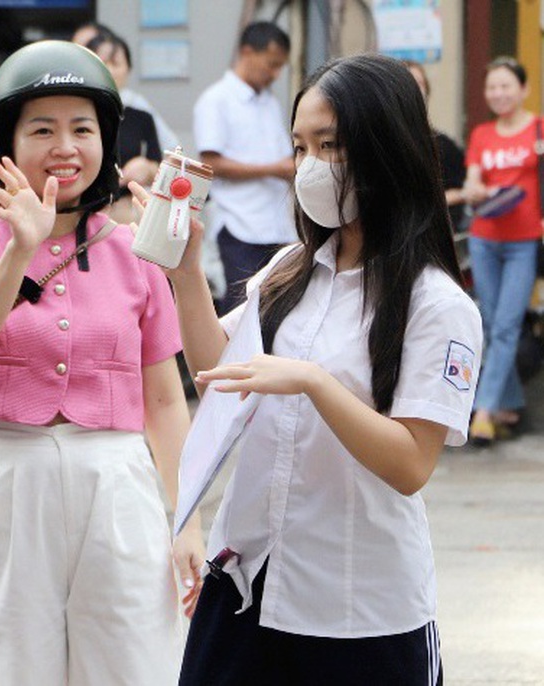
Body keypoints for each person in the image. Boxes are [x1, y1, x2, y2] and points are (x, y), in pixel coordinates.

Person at [156, 53, 481, 685]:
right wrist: (186, 271)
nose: (308, 166)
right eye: (300, 147)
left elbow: (411, 464)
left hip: (358, 607)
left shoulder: (438, 303)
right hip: (248, 581)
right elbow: (215, 369)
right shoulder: (289, 269)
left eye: (329, 145)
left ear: (385, 147)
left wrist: (312, 381)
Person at [0, 40, 203, 684]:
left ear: (105, 141)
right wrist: (19, 248)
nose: (66, 146)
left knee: (133, 661)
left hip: (118, 481)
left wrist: (188, 519)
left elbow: (165, 401)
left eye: (83, 128)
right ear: (8, 141)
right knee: (10, 663)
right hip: (11, 474)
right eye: (42, 129)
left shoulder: (137, 254)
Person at [462, 57, 543, 445]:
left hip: (523, 241)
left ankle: (483, 410)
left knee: (507, 324)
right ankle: (508, 403)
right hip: (484, 237)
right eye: (491, 87)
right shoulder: (481, 134)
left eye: (506, 85)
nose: (498, 93)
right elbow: (473, 180)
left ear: (524, 89)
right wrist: (475, 191)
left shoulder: (539, 129)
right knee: (491, 325)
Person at [193, 21, 295, 314]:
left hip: (278, 226)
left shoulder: (270, 103)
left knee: (277, 312)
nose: (275, 74)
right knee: (240, 313)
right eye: (271, 64)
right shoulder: (216, 100)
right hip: (239, 225)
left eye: (280, 67)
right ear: (248, 52)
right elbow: (210, 164)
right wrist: (275, 169)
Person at [85, 29, 162, 223]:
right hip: (84, 211)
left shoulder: (141, 117)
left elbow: (161, 169)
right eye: (101, 62)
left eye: (116, 63)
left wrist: (148, 169)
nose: (108, 69)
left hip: (126, 215)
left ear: (128, 68)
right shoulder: (76, 115)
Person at [72, 20, 180, 151]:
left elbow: (171, 148)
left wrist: (148, 166)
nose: (109, 70)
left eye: (115, 63)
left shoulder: (136, 107)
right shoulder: (70, 103)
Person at [405, 59, 468, 231]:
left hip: (433, 235)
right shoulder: (376, 142)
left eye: (419, 83)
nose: (414, 90)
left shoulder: (444, 145)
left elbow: (462, 190)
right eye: (406, 83)